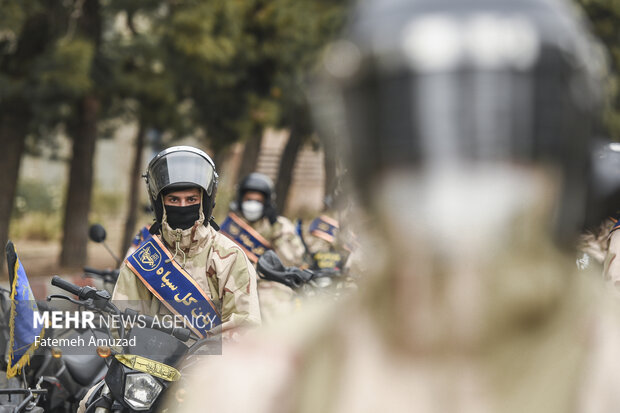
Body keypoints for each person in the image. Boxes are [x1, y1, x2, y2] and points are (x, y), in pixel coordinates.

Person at [172, 0, 620, 412]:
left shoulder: (607, 368)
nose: (456, 179)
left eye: (505, 142)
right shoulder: (261, 382)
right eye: (414, 143)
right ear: (372, 161)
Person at [112, 146, 261, 338]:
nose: (183, 207)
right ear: (159, 204)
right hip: (150, 365)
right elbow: (121, 328)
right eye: (173, 200)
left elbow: (245, 329)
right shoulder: (144, 260)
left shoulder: (229, 257)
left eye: (191, 199)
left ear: (204, 203)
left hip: (211, 366)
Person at [220, 172, 306, 322]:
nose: (252, 205)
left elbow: (294, 258)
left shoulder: (280, 225)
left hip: (270, 288)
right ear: (240, 200)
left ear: (266, 202)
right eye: (249, 200)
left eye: (258, 201)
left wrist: (275, 227)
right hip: (236, 286)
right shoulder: (232, 225)